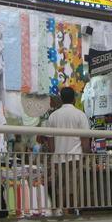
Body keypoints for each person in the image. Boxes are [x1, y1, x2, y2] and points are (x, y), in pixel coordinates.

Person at [46, 87, 90, 215]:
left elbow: (51, 143)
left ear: (61, 98)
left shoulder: (53, 116)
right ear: (74, 99)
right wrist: (86, 154)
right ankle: (69, 213)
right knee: (72, 188)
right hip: (75, 157)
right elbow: (85, 140)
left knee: (60, 187)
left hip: (58, 158)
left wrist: (52, 157)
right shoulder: (80, 115)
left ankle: (62, 211)